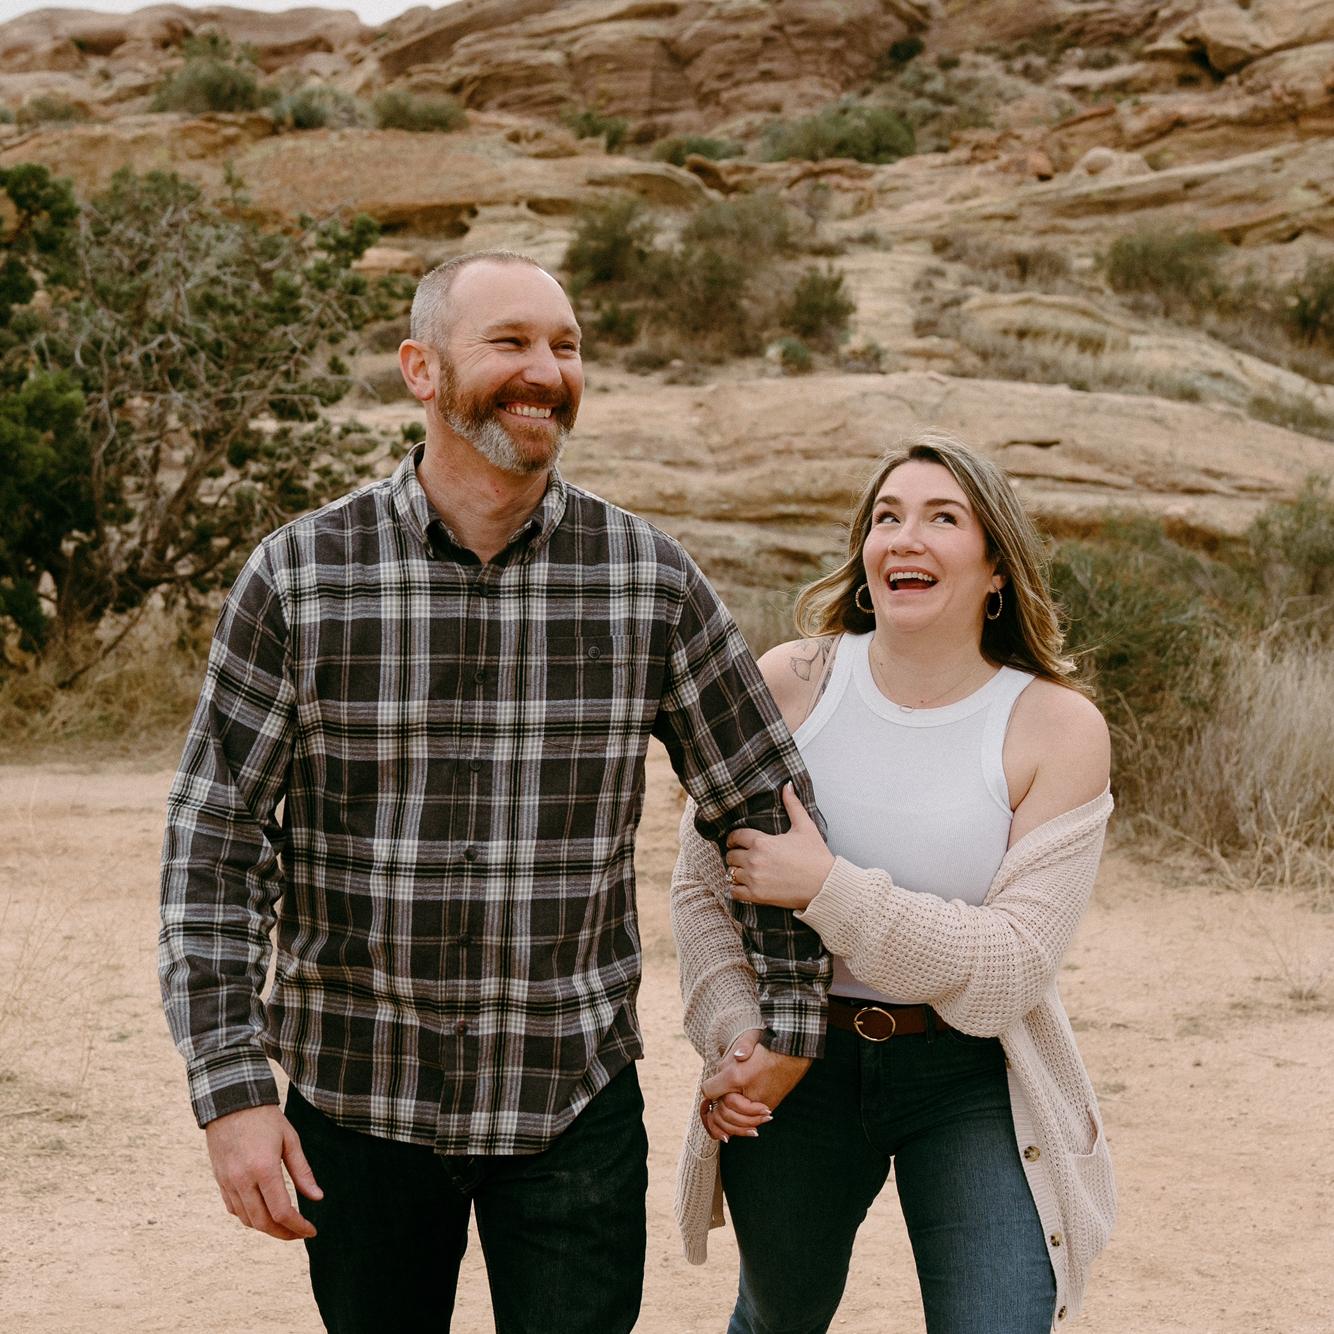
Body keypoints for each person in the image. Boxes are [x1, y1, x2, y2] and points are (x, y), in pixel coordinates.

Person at [158, 250, 830, 1334]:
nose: (545, 371)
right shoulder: (300, 574)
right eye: (510, 342)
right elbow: (218, 846)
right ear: (420, 369)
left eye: (564, 347)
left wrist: (788, 1017)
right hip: (356, 1095)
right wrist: (232, 1087)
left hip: (570, 1102)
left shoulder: (647, 579)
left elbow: (759, 800)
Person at [671, 430, 1116, 1334]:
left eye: (942, 518)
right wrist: (739, 1038)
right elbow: (701, 893)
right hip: (801, 1056)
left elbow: (1008, 969)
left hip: (971, 1073)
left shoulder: (1055, 728)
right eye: (886, 517)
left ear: (996, 566)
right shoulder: (791, 685)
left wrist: (826, 888)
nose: (904, 538)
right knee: (777, 1318)